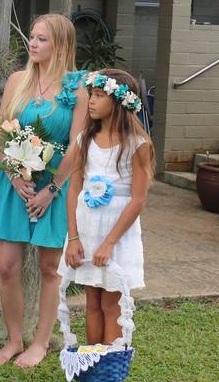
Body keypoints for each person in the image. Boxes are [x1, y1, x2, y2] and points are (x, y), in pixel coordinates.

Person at [0, 13, 87, 368]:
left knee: (48, 268)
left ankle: (40, 343)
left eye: (41, 39)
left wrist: (52, 189)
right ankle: (13, 340)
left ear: (60, 45)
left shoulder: (77, 88)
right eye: (32, 36)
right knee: (7, 266)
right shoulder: (17, 81)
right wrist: (13, 176)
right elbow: (0, 132)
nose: (32, 43)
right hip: (15, 186)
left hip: (53, 189)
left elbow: (77, 145)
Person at [62, 69, 153, 344]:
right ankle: (93, 362)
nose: (91, 101)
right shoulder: (85, 140)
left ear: (119, 102)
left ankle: (109, 366)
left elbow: (138, 200)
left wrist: (109, 244)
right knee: (91, 302)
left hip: (116, 234)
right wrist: (74, 238)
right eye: (92, 94)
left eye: (99, 95)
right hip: (88, 229)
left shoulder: (138, 144)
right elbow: (74, 189)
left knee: (110, 304)